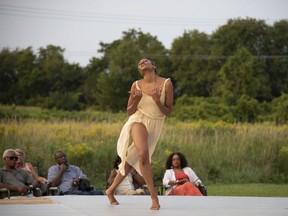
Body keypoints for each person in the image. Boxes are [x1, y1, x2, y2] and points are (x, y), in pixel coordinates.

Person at [106, 58, 173, 210]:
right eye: (139, 63)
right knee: (143, 154)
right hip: (138, 120)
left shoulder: (166, 83)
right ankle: (154, 198)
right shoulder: (136, 85)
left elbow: (168, 112)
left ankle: (110, 190)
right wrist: (135, 100)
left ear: (153, 66)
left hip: (155, 123)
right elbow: (129, 112)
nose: (142, 62)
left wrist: (157, 101)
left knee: (131, 160)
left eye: (146, 61)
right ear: (139, 70)